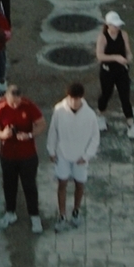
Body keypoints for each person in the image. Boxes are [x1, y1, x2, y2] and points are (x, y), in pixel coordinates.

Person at [0, 83, 44, 233]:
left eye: (17, 102)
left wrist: (29, 135)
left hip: (28, 155)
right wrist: (2, 135)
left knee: (29, 186)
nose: (15, 105)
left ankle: (35, 216)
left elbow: (41, 124)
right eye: (12, 102)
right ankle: (10, 212)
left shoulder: (28, 106)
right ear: (6, 98)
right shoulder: (0, 108)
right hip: (7, 155)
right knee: (9, 185)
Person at [46, 82, 101, 228]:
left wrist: (87, 156)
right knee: (62, 183)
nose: (73, 102)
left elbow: (95, 137)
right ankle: (62, 215)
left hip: (80, 158)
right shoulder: (58, 110)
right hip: (62, 154)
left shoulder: (90, 115)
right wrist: (51, 150)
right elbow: (53, 131)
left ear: (81, 98)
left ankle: (76, 211)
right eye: (71, 98)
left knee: (79, 184)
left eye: (76, 99)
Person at [94, 13, 134, 138]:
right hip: (107, 71)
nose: (117, 28)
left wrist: (129, 57)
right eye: (115, 25)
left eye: (118, 25)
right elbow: (100, 56)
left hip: (122, 71)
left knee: (125, 96)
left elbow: (127, 51)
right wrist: (115, 58)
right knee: (106, 94)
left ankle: (131, 124)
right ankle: (100, 115)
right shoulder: (103, 37)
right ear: (108, 25)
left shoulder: (123, 34)